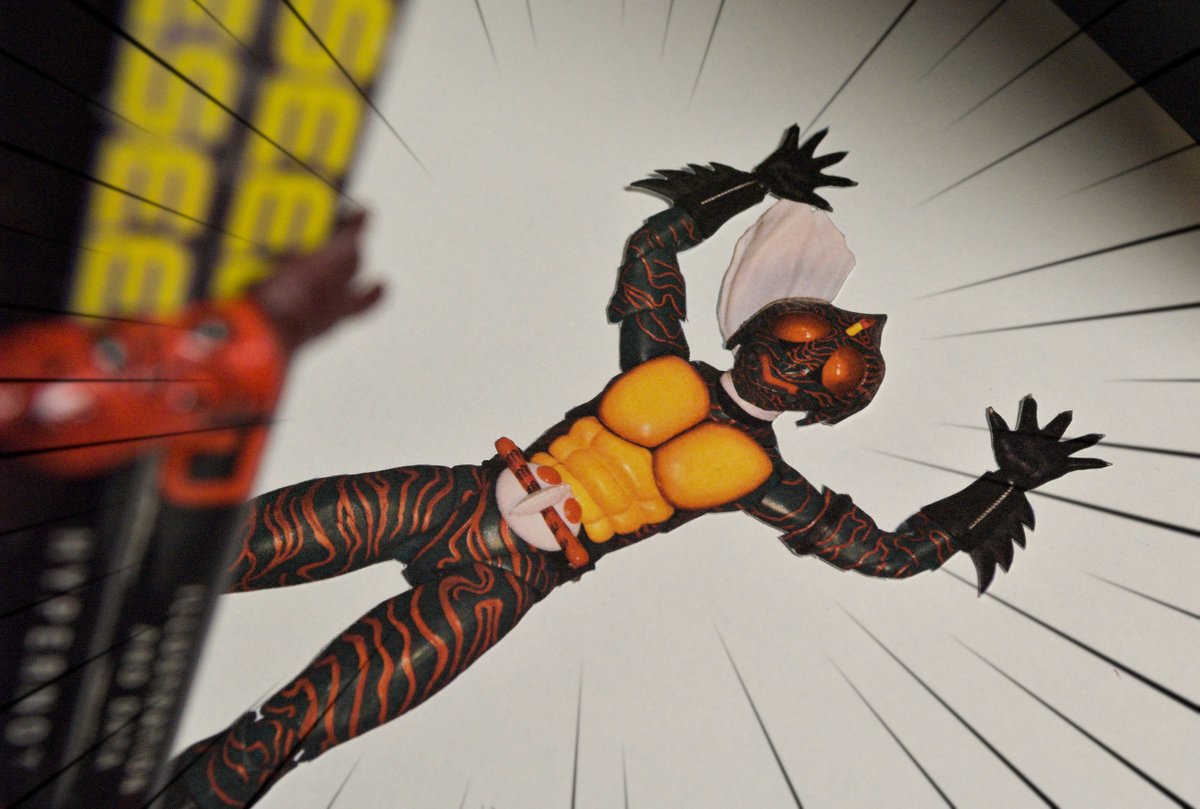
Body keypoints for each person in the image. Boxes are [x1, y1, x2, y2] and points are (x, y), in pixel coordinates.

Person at [163, 128, 1106, 809]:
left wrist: (1003, 486)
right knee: (197, 546)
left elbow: (886, 552)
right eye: (802, 342)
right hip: (450, 496)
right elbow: (654, 249)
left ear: (824, 407)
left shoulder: (760, 474)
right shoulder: (662, 362)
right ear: (768, 322)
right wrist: (757, 184)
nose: (800, 363)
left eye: (822, 371)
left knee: (280, 733)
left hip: (506, 577)